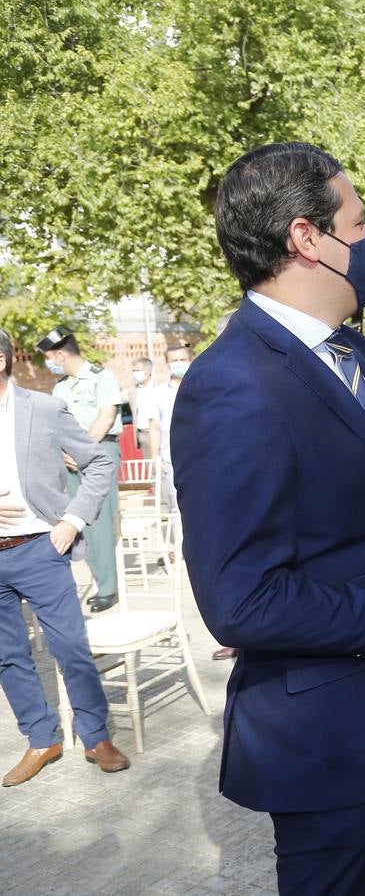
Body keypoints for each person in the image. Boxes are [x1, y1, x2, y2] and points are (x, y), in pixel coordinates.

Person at [172, 141, 365, 895]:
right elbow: (241, 600)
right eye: (360, 221)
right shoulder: (232, 385)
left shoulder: (350, 350)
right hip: (330, 751)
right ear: (307, 238)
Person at [0, 326, 130, 786]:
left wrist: (71, 522)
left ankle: (95, 736)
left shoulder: (45, 407)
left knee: (70, 648)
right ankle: (41, 739)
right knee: (7, 654)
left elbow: (99, 463)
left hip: (40, 546)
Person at [37, 327, 121, 612]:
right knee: (78, 520)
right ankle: (100, 581)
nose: (49, 363)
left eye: (50, 357)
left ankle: (108, 588)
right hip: (69, 460)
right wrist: (64, 452)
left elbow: (106, 417)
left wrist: (81, 451)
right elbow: (54, 428)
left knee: (101, 521)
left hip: (99, 453)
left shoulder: (102, 377)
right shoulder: (60, 387)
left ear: (60, 354)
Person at [147, 342, 193, 511]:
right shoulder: (157, 394)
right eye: (174, 360)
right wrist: (155, 458)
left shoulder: (204, 387)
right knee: (177, 508)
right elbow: (154, 427)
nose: (179, 363)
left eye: (183, 359)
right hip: (171, 461)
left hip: (203, 456)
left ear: (190, 360)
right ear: (167, 363)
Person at [128, 356, 155, 456]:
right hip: (143, 435)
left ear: (148, 371)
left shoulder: (158, 387)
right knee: (150, 468)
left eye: (137, 370)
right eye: (133, 371)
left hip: (158, 433)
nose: (135, 374)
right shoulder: (133, 391)